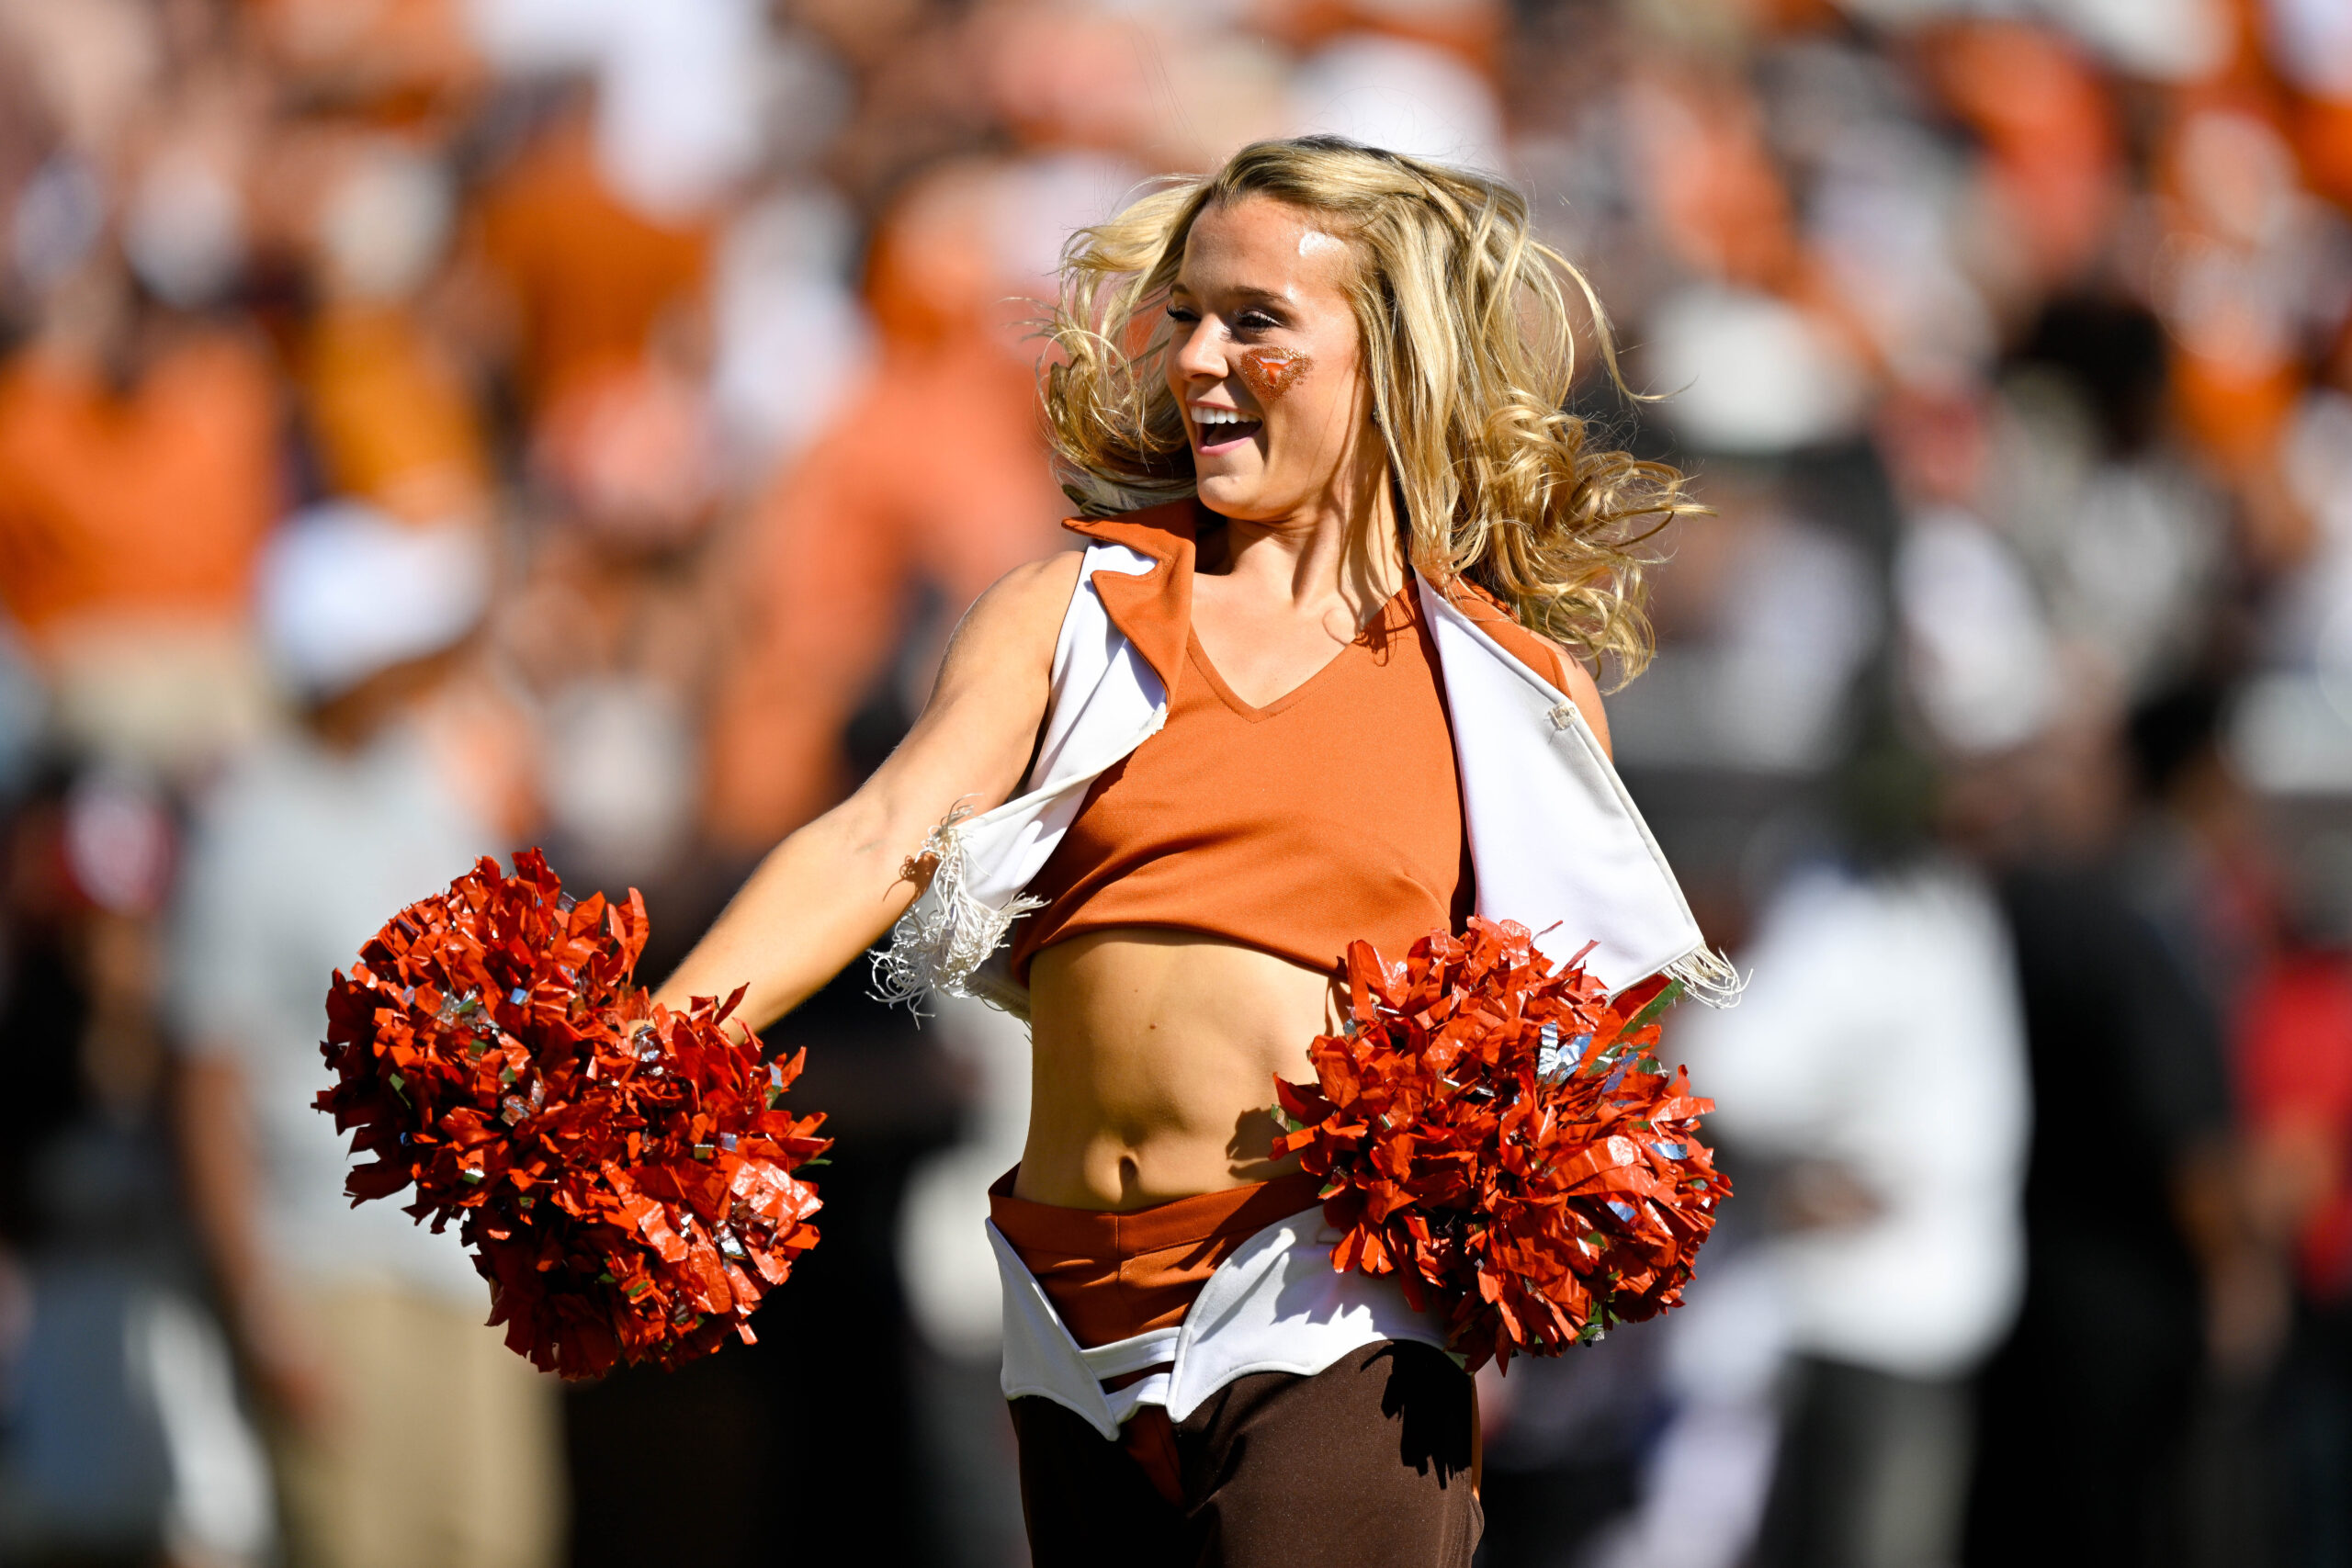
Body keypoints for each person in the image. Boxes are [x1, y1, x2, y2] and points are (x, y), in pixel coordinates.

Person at [652, 136, 1724, 1567]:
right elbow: (877, 834)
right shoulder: (1073, 609)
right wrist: (640, 1045)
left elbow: (1581, 1041)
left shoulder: (1500, 683)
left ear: (1391, 355)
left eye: (1259, 322)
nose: (1200, 359)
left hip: (1319, 1304)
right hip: (1061, 1310)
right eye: (1192, 316)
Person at [170, 506, 565, 1568]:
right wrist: (261, 1310)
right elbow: (208, 1087)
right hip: (330, 1275)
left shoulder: (433, 794)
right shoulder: (247, 836)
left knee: (497, 1542)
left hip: (468, 1274)